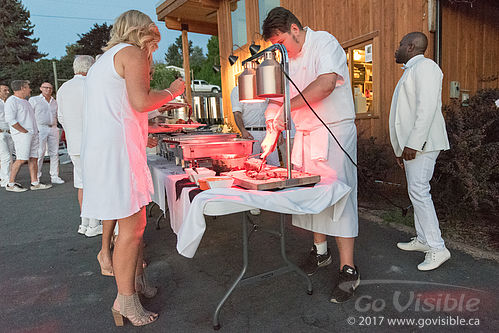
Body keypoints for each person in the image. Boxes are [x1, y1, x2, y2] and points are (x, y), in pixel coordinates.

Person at [81, 10, 185, 326]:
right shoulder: (132, 52)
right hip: (119, 153)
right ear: (144, 33)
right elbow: (140, 102)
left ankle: (136, 284)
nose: (153, 51)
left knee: (135, 222)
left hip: (106, 150)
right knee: (132, 230)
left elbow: (123, 106)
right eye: (153, 43)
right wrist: (174, 90)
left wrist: (150, 121)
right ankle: (125, 301)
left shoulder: (103, 61)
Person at [261, 7, 359, 303]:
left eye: (281, 41)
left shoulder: (324, 43)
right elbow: (277, 98)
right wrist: (271, 121)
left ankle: (349, 268)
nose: (280, 50)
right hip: (304, 135)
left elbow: (326, 83)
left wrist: (287, 108)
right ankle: (321, 254)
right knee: (309, 198)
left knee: (338, 199)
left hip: (333, 133)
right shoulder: (286, 59)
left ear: (294, 28)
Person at [390, 32, 451, 271]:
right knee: (416, 192)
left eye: (400, 44)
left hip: (422, 143)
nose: (397, 48)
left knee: (419, 191)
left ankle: (437, 248)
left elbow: (426, 108)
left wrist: (413, 144)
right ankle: (424, 240)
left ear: (411, 46)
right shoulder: (412, 69)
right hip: (414, 144)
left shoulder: (426, 67)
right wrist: (400, 147)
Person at [57, 55, 103, 237]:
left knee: (82, 183)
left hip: (74, 143)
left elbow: (60, 117)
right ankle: (94, 224)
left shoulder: (63, 88)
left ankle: (84, 222)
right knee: (95, 183)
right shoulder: (91, 85)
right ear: (91, 68)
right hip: (93, 142)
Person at [4, 80, 52, 192]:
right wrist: (24, 131)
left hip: (33, 133)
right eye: (28, 87)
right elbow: (10, 119)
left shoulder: (25, 101)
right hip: (22, 135)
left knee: (33, 158)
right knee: (21, 159)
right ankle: (10, 183)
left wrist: (33, 131)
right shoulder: (12, 101)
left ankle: (35, 183)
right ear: (22, 88)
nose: (30, 89)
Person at [231, 86, 280, 166]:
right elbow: (237, 113)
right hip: (250, 133)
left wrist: (277, 131)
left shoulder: (264, 87)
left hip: (269, 131)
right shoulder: (238, 90)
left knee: (274, 163)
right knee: (252, 164)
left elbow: (273, 108)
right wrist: (243, 130)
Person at [29, 82, 65, 184]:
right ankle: (36, 176)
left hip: (53, 127)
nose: (48, 90)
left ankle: (54, 176)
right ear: (41, 88)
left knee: (55, 153)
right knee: (40, 152)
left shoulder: (54, 101)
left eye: (50, 88)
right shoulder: (34, 100)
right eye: (45, 88)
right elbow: (30, 115)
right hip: (40, 128)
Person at [0, 84, 15, 187]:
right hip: (1, 132)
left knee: (9, 157)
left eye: (8, 90)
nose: (7, 92)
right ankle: (6, 180)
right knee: (5, 157)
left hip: (9, 132)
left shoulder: (9, 103)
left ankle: (6, 178)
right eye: (5, 90)